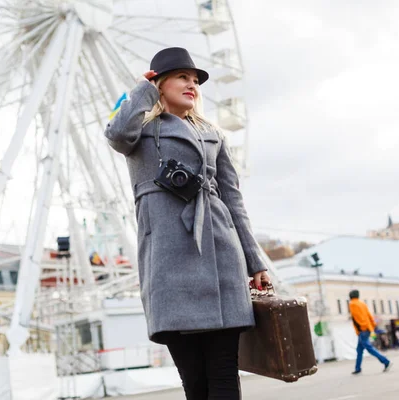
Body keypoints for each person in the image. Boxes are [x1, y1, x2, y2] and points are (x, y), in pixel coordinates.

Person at [104, 47, 270, 400]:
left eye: (195, 80)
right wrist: (141, 91)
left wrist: (255, 262)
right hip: (169, 264)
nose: (192, 85)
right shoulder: (139, 133)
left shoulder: (214, 135)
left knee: (225, 377)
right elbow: (116, 134)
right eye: (182, 77)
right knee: (194, 383)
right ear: (159, 83)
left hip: (220, 258)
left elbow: (234, 202)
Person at [348, 290, 392, 375]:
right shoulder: (362, 303)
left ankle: (386, 361)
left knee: (369, 348)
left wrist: (361, 328)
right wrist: (372, 326)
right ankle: (358, 368)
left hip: (362, 330)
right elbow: (369, 315)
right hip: (367, 328)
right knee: (359, 350)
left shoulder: (352, 304)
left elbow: (357, 318)